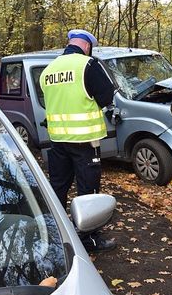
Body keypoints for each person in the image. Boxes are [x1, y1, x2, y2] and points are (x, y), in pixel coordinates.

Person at [39, 29, 117, 252]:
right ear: (87, 46)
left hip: (57, 140)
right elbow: (106, 97)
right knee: (87, 190)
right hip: (84, 141)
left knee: (58, 186)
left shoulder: (49, 70)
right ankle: (88, 239)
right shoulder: (87, 65)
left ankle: (53, 233)